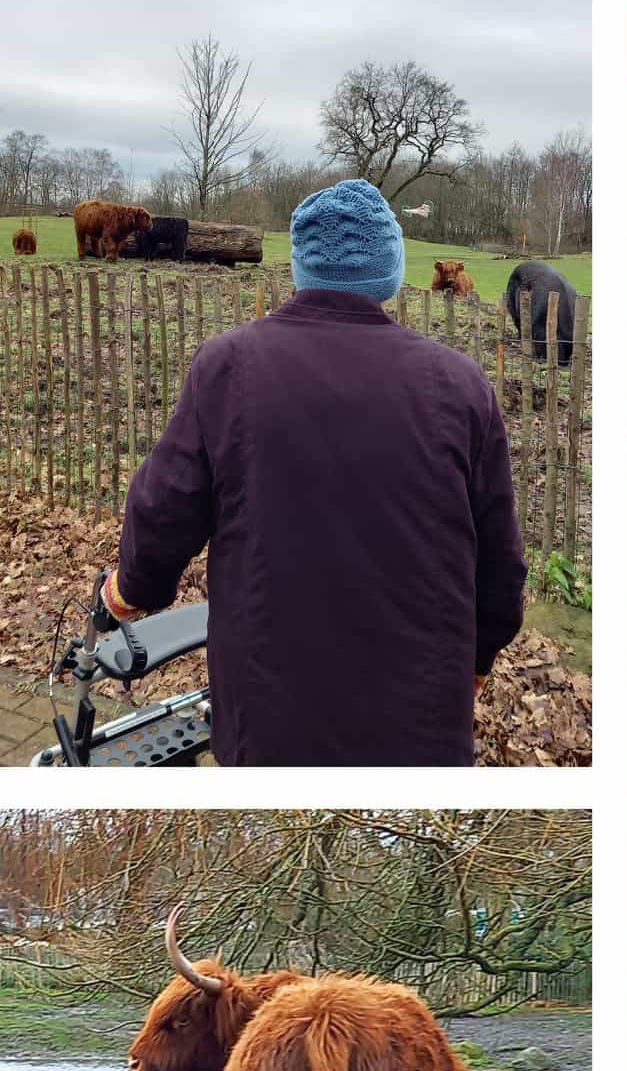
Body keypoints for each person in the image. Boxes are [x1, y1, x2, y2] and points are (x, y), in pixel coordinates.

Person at [102, 177, 527, 765]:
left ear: (302, 265)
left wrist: (128, 593)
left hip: (269, 722)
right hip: (419, 727)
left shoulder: (229, 367)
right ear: (390, 266)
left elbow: (164, 509)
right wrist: (475, 662)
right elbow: (501, 568)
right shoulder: (459, 386)